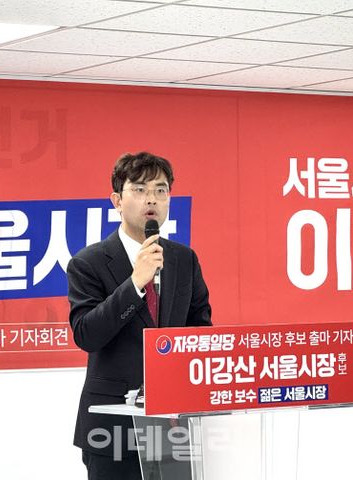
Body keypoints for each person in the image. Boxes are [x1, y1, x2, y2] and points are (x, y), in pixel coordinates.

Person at [67, 151, 212, 479]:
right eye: (140, 189)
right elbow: (87, 334)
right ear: (117, 201)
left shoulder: (184, 259)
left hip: (173, 423)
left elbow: (199, 331)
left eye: (161, 190)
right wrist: (135, 283)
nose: (152, 199)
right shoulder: (88, 263)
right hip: (112, 426)